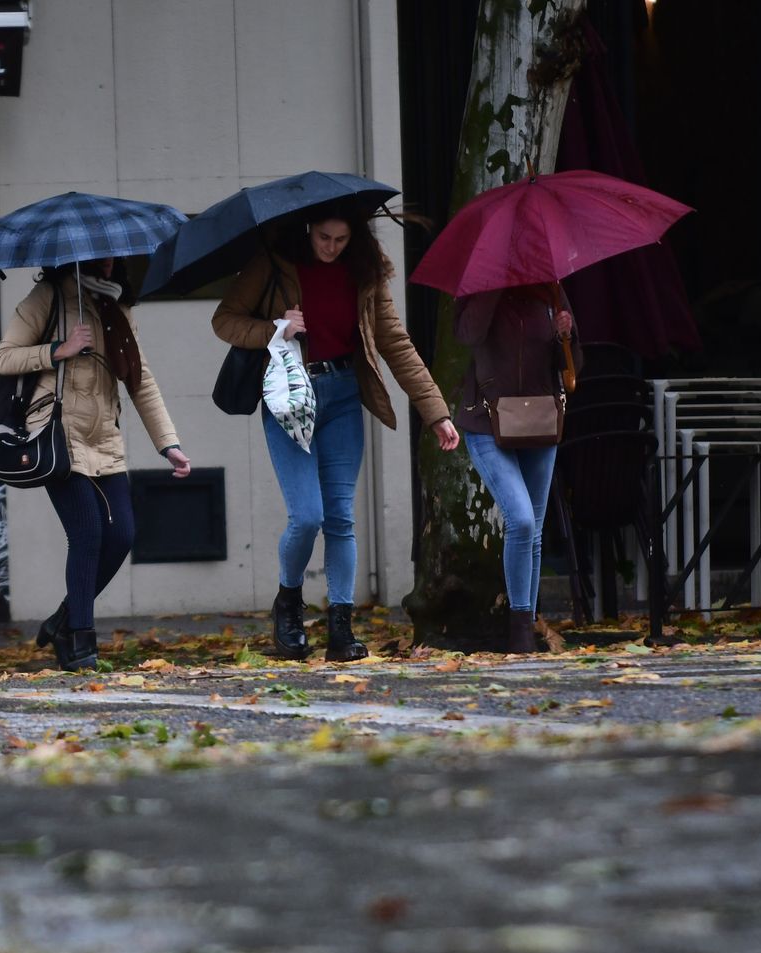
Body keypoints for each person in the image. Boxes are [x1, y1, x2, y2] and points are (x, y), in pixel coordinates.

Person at [213, 204, 460, 662]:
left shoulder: (366, 273)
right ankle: (288, 602)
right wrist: (275, 328)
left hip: (344, 395)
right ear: (309, 230)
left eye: (340, 239)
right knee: (307, 516)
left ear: (355, 237)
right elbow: (225, 319)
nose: (330, 247)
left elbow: (396, 344)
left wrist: (436, 412)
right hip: (290, 395)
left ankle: (341, 629)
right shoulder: (274, 262)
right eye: (323, 237)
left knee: (340, 518)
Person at [0, 257, 190, 672]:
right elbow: (5, 358)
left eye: (112, 254)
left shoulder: (119, 307)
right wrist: (56, 351)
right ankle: (81, 639)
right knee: (87, 534)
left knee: (122, 536)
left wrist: (167, 443)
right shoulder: (48, 296)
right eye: (96, 254)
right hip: (56, 432)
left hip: (104, 435)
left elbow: (141, 379)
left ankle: (63, 620)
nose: (106, 261)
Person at [452, 282, 581, 653]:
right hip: (486, 422)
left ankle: (527, 624)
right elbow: (468, 334)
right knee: (522, 520)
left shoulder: (552, 289)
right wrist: (491, 288)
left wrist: (564, 335)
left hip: (539, 421)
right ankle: (519, 626)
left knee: (534, 532)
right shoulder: (478, 283)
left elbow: (573, 366)